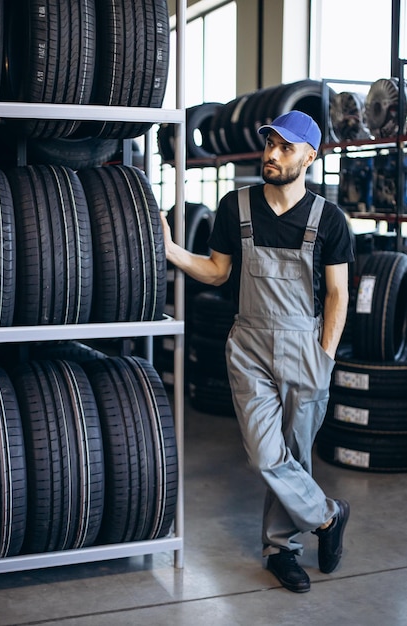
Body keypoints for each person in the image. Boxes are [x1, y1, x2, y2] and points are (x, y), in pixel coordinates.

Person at [160, 110, 354, 593]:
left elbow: (337, 295)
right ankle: (329, 516)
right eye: (269, 143)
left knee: (295, 455)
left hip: (304, 345)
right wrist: (169, 250)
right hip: (248, 344)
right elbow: (218, 271)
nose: (271, 154)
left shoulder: (328, 219)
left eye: (285, 147)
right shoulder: (236, 206)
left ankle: (279, 549)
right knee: (266, 456)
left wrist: (324, 357)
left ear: (310, 155)